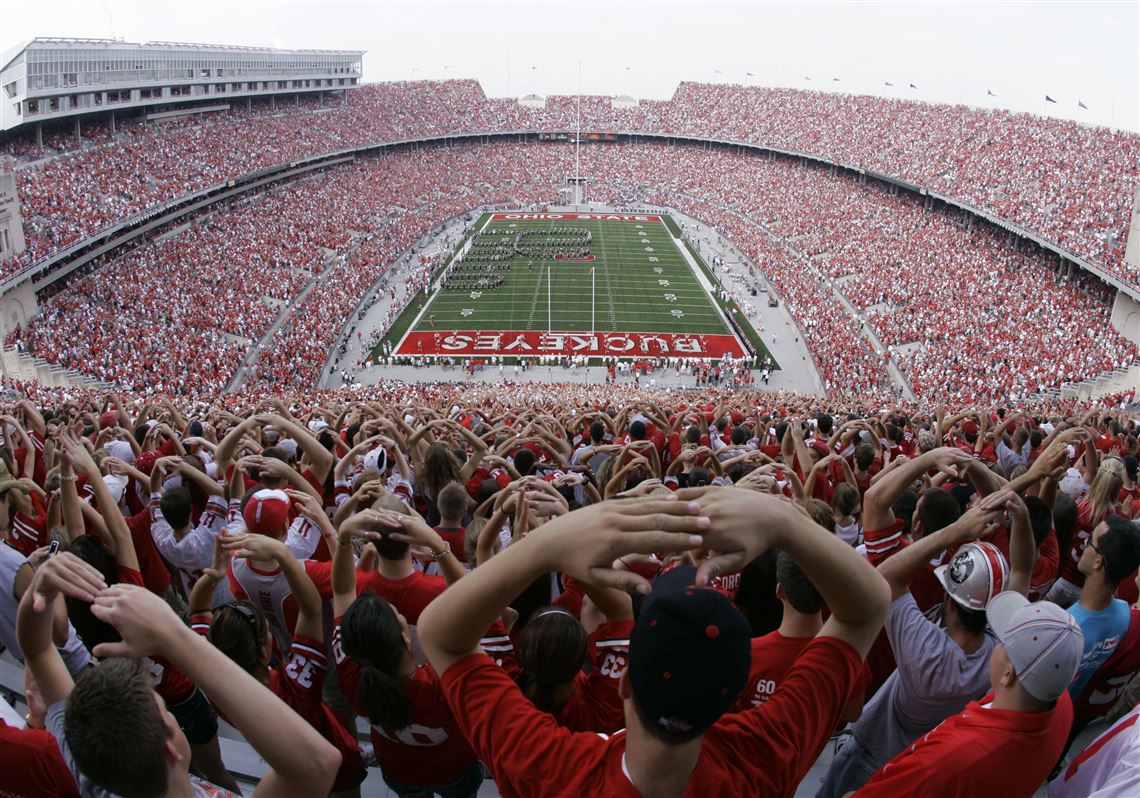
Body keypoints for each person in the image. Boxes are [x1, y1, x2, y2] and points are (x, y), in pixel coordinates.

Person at [417, 489, 890, 797]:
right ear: (729, 698)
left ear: (625, 682)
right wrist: (785, 519)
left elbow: (441, 635)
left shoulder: (551, 770)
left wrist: (548, 544)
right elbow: (867, 606)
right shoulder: (764, 757)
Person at [16, 551, 340, 798]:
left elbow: (38, 650)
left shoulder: (93, 772)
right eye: (165, 713)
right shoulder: (89, 765)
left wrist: (39, 592)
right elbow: (318, 764)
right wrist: (173, 636)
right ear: (170, 749)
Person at [855, 591, 1084, 797]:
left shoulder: (947, 761)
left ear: (1008, 673)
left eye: (1002, 642)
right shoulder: (1062, 705)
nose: (994, 643)